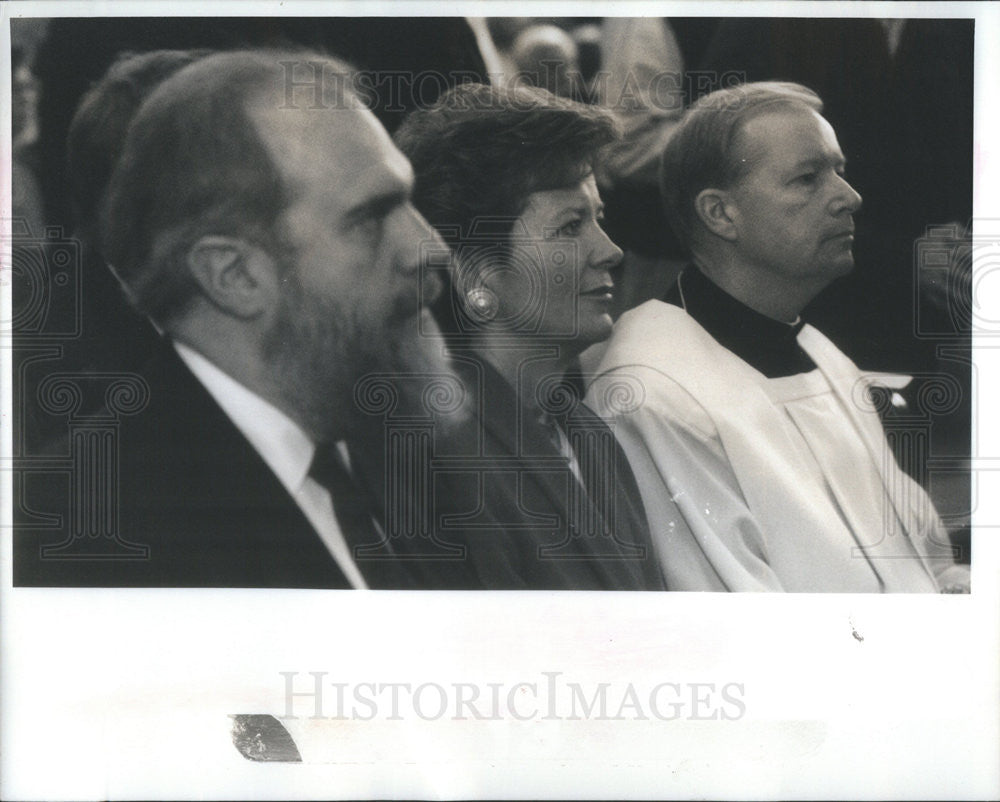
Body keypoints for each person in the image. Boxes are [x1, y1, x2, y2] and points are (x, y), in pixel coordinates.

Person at [14, 49, 457, 589]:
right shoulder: (75, 533)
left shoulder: (406, 460)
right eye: (369, 217)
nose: (429, 247)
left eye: (410, 204)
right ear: (235, 276)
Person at [585, 82, 969, 592]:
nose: (849, 198)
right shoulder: (652, 394)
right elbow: (737, 630)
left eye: (840, 170)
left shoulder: (819, 352)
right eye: (808, 178)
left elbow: (928, 559)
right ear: (720, 214)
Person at [394, 83, 666, 590]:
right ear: (475, 274)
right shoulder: (446, 464)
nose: (611, 251)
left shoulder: (587, 432)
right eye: (569, 227)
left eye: (598, 219)